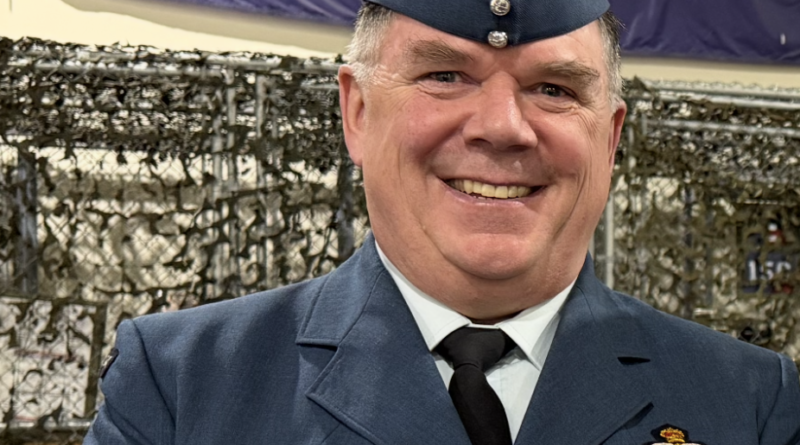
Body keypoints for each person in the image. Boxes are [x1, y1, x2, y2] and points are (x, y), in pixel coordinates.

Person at [85, 0, 800, 443]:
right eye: (445, 76)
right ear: (357, 113)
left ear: (610, 139)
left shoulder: (748, 402)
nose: (501, 128)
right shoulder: (185, 386)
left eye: (553, 88)